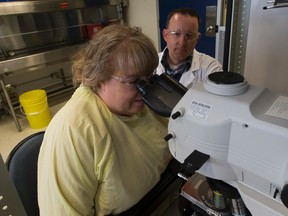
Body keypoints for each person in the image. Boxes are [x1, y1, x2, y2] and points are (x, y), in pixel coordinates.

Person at [37, 25, 173, 216]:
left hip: (158, 198)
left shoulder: (143, 102)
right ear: (100, 77)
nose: (146, 89)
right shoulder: (74, 129)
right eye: (134, 82)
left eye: (149, 77)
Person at [156, 8, 223, 88]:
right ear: (165, 35)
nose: (182, 43)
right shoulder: (150, 63)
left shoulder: (211, 68)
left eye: (189, 35)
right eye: (176, 34)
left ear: (197, 39)